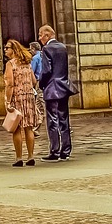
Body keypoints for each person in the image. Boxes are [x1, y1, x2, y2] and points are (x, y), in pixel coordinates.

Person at [37, 25, 73, 161]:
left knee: (53, 121)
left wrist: (41, 84)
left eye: (41, 35)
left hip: (52, 88)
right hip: (63, 87)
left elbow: (46, 71)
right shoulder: (63, 47)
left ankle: (55, 151)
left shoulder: (47, 49)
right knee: (64, 120)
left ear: (47, 35)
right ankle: (66, 151)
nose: (39, 38)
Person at [3, 40, 38, 167]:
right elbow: (34, 80)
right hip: (29, 97)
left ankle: (18, 158)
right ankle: (31, 156)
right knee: (29, 128)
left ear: (14, 49)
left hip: (16, 97)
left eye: (7, 48)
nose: (5, 50)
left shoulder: (10, 64)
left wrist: (8, 101)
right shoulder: (27, 63)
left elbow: (10, 84)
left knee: (16, 128)